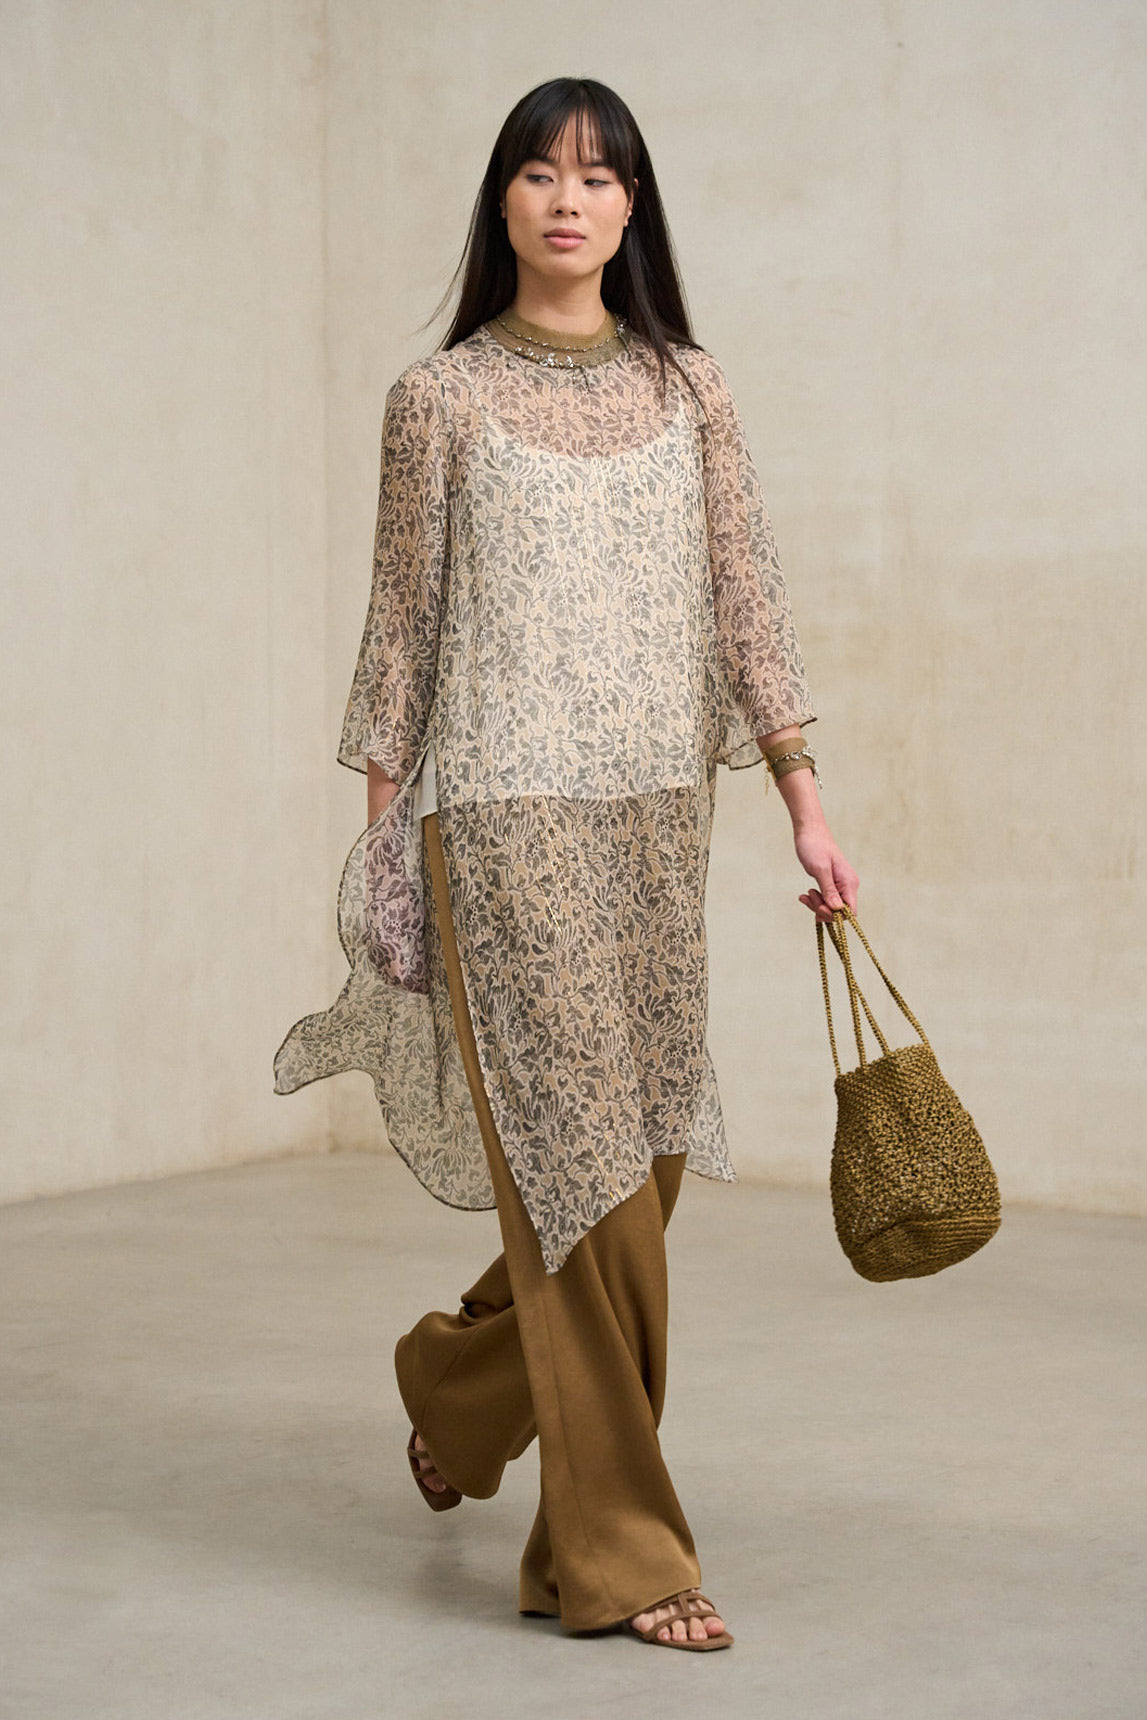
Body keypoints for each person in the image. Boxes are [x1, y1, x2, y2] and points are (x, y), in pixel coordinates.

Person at [274, 75, 859, 1653]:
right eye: (539, 173)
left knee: (641, 1153)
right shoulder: (439, 400)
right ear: (504, 201)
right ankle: (617, 1555)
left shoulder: (692, 389)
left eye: (597, 178)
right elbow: (401, 639)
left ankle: (459, 1391)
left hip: (660, 817)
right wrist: (383, 849)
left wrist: (804, 800)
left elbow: (749, 602)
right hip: (500, 820)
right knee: (581, 1174)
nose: (567, 200)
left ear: (632, 208)